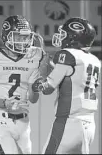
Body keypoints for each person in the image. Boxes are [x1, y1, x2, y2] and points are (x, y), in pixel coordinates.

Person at [32, 17, 100, 154]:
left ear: (73, 38)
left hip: (69, 122)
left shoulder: (67, 55)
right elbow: (71, 77)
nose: (60, 37)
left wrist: (36, 81)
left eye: (64, 34)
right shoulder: (93, 59)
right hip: (89, 124)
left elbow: (47, 89)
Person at [0, 15, 46, 154]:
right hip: (0, 117)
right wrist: (5, 103)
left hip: (24, 119)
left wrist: (34, 87)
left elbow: (34, 99)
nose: (23, 41)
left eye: (26, 37)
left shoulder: (35, 56)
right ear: (7, 36)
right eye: (19, 37)